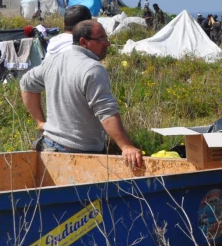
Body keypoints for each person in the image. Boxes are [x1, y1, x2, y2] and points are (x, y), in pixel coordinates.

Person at [19, 20, 144, 168]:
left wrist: (40, 122)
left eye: (106, 38)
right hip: (79, 156)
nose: (107, 44)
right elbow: (106, 111)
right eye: (101, 39)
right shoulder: (93, 68)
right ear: (84, 42)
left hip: (50, 147)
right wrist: (126, 146)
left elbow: (26, 83)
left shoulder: (54, 60)